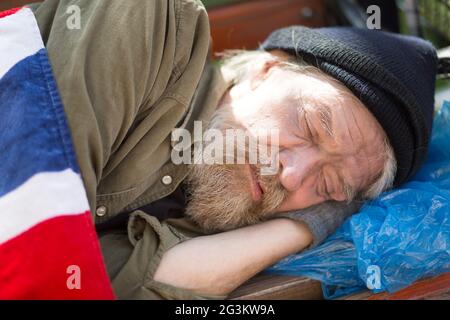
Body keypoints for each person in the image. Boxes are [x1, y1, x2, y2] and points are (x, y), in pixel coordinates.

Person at [27, 0, 437, 299]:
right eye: (310, 126)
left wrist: (307, 223)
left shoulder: (225, 206)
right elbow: (39, 268)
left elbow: (107, 283)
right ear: (267, 68)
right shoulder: (149, 20)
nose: (292, 176)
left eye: (327, 183)